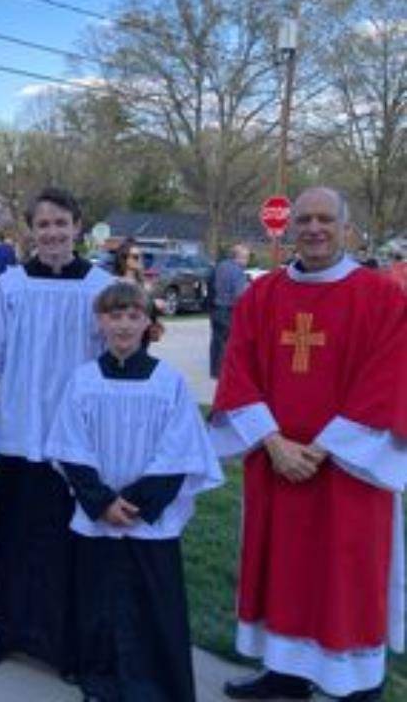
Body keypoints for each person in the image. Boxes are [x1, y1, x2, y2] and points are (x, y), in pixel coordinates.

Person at [212, 187, 407, 701]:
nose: (314, 229)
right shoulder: (263, 296)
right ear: (290, 227)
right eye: (304, 220)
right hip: (277, 464)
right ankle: (285, 672)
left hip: (351, 471)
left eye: (325, 219)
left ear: (346, 228)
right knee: (283, 570)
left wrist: (321, 450)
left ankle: (356, 682)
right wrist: (274, 442)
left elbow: (389, 379)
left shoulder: (383, 297)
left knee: (348, 574)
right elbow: (238, 371)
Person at [46, 282, 223, 701]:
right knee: (98, 601)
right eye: (114, 315)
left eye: (133, 316)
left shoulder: (169, 382)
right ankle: (101, 681)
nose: (123, 325)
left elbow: (180, 450)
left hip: (149, 519)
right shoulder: (83, 380)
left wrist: (138, 504)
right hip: (100, 516)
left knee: (152, 602)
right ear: (100, 322)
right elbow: (70, 447)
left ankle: (153, 687)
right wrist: (103, 502)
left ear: (148, 322)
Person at [0, 187, 114, 679]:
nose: (52, 233)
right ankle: (4, 631)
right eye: (43, 224)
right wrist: (18, 400)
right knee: (13, 533)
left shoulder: (100, 288)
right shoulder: (9, 287)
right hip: (20, 432)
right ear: (30, 231)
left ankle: (64, 643)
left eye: (61, 223)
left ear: (77, 226)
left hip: (76, 439)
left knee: (67, 539)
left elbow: (111, 359)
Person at [209, 243, 250, 378]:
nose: (247, 261)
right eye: (246, 257)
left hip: (216, 308)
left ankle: (216, 371)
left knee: (217, 341)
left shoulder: (220, 266)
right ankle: (227, 372)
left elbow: (210, 284)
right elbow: (239, 295)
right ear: (238, 257)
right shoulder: (238, 272)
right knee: (230, 342)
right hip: (229, 310)